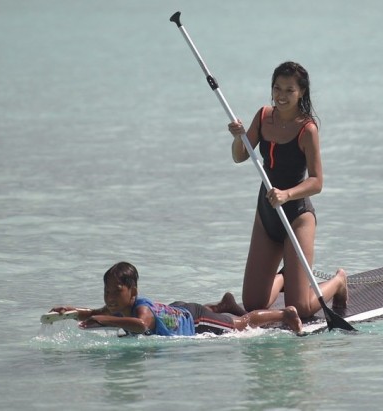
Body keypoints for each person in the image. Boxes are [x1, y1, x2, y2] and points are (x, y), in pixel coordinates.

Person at [227, 61, 348, 319]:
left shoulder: (307, 129)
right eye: (277, 88)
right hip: (267, 214)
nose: (281, 96)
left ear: (301, 92)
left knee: (300, 309)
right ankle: (285, 277)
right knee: (253, 303)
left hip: (297, 216)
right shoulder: (263, 116)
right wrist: (238, 138)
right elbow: (239, 156)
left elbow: (316, 182)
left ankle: (338, 281)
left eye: (289, 90)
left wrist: (287, 194)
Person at [48, 262, 303, 336]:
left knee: (240, 324)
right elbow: (94, 312)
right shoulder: (116, 307)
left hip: (196, 319)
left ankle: (285, 314)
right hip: (177, 309)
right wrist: (70, 312)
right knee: (221, 315)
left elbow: (142, 325)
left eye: (116, 291)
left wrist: (105, 321)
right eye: (107, 292)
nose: (110, 298)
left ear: (133, 292)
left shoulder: (141, 312)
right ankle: (224, 305)